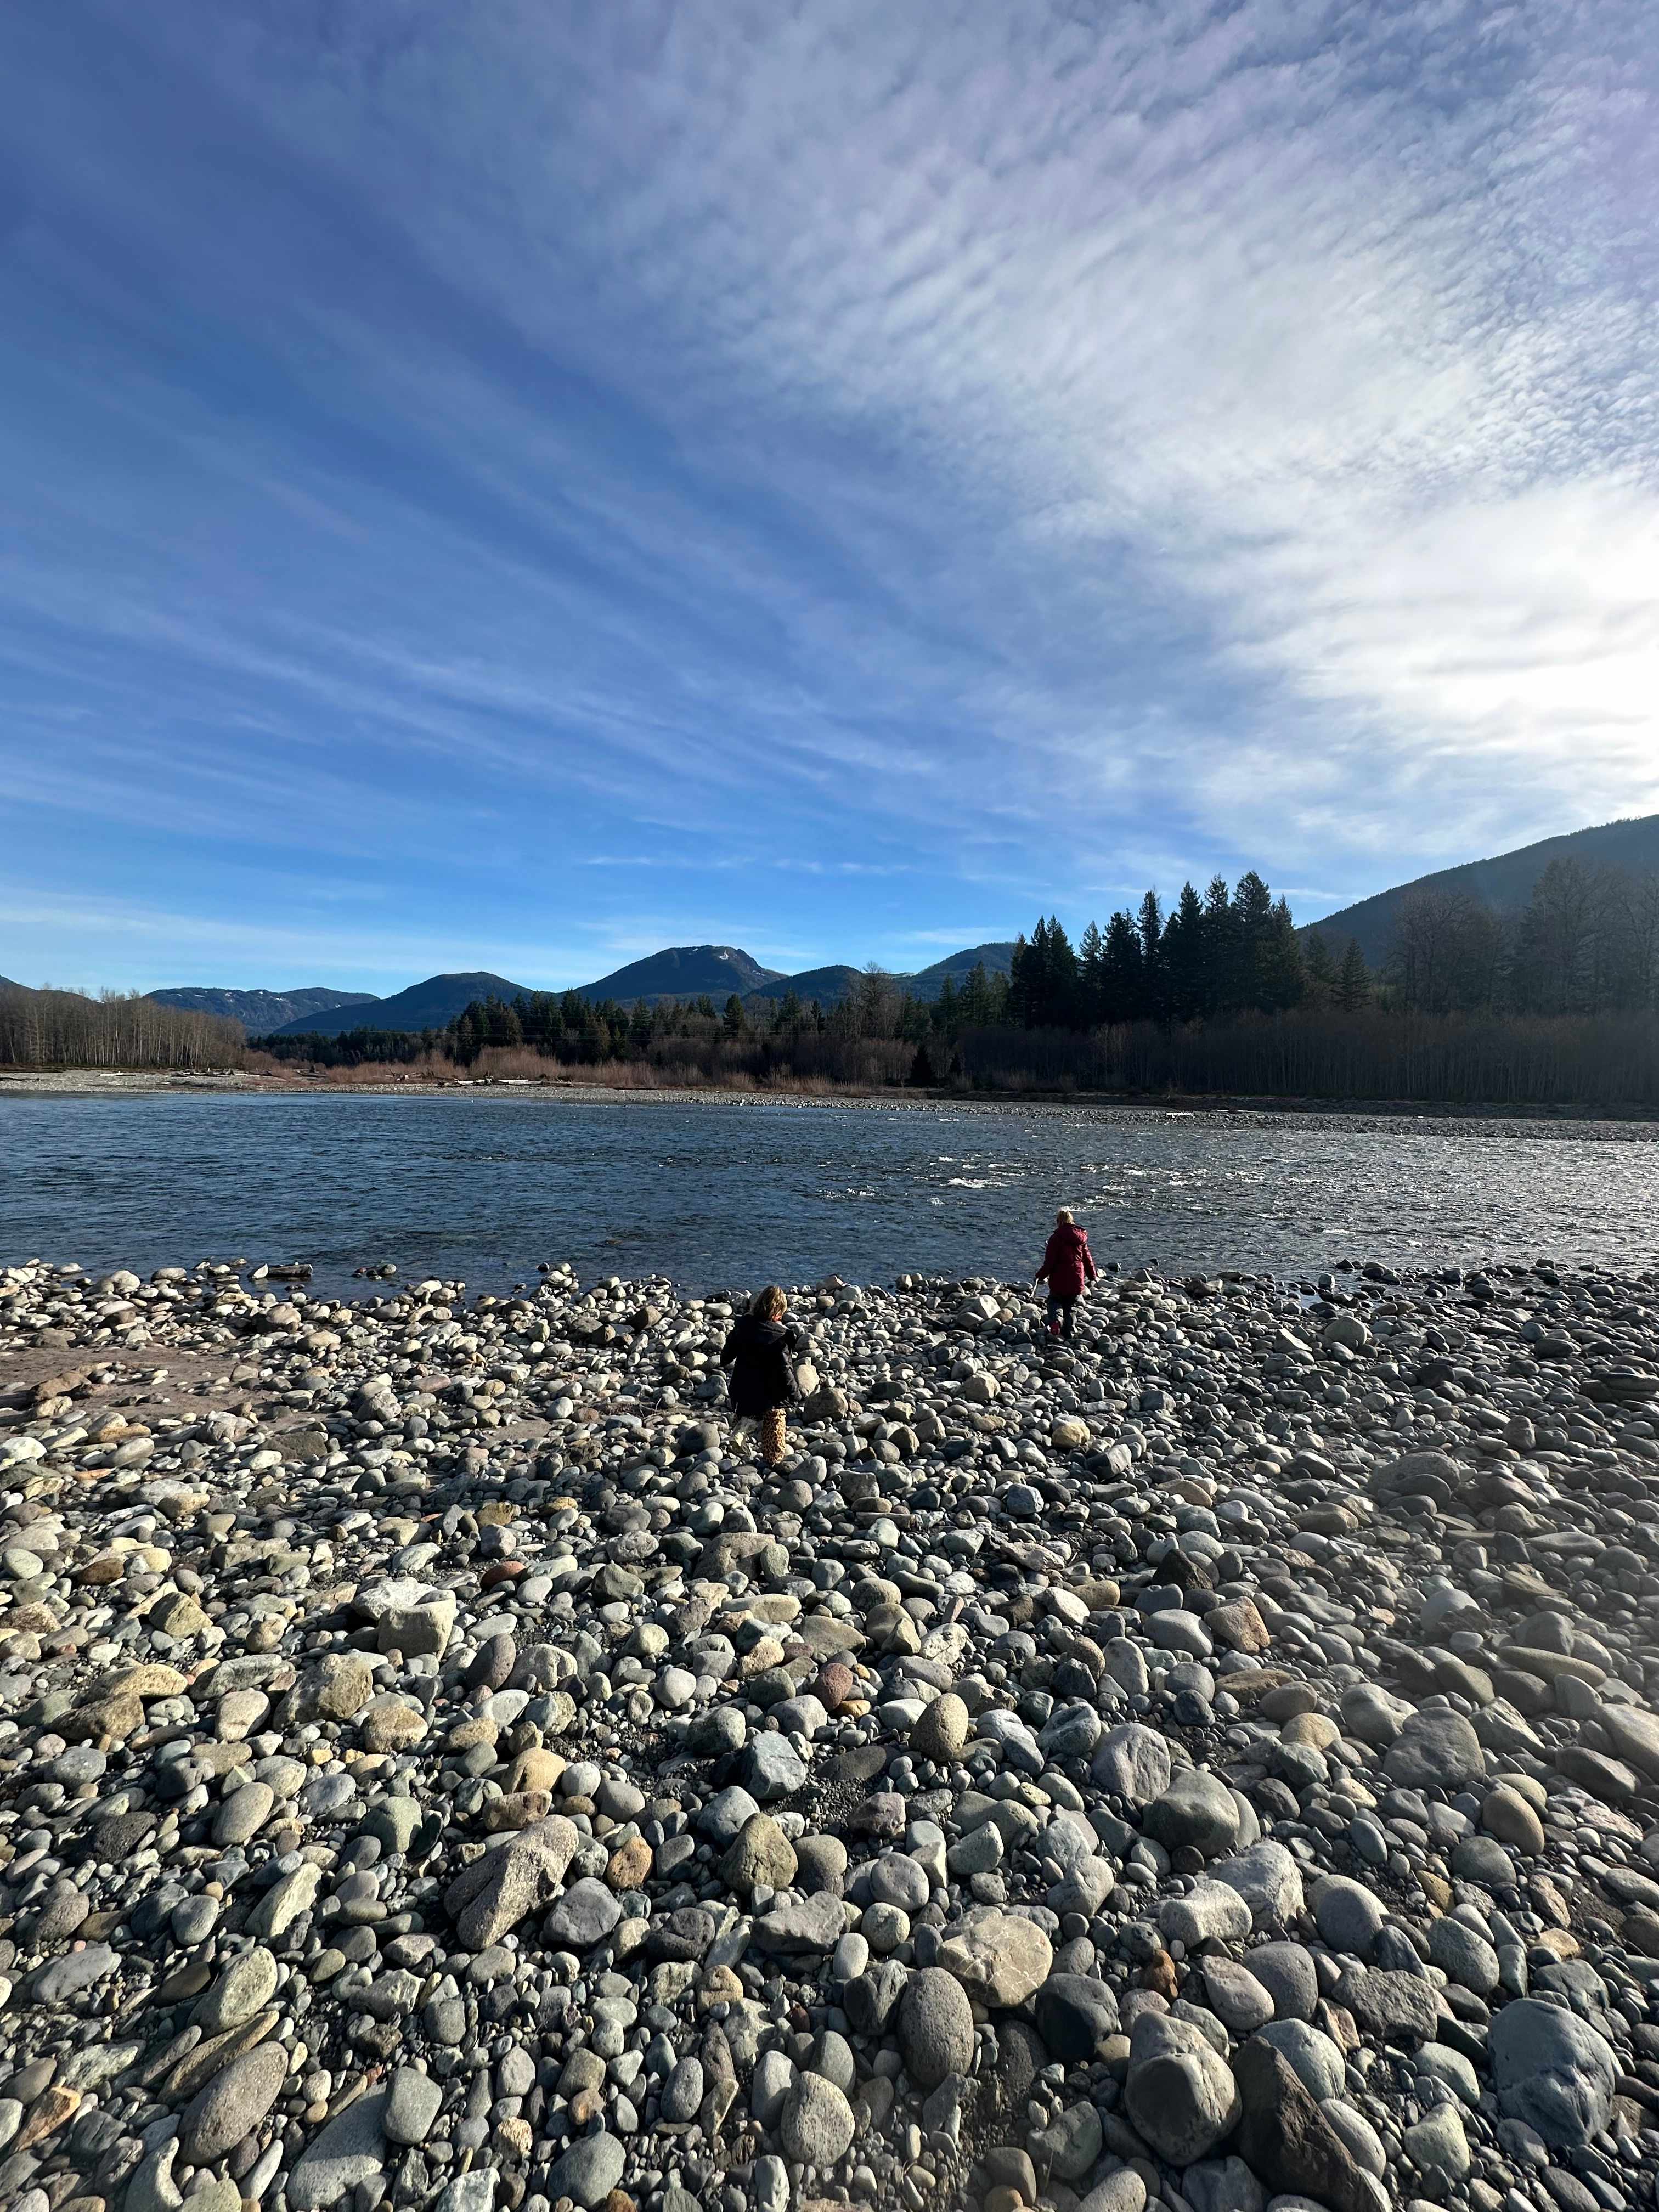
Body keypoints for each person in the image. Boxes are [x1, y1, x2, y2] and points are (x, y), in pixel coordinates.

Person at [720, 1284, 804, 1466]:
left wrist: (728, 1355)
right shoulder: (781, 1336)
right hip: (770, 1394)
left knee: (749, 1411)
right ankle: (774, 1458)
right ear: (777, 1313)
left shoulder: (743, 1325)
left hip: (743, 1388)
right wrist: (795, 1393)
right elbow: (785, 1369)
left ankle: (741, 1432)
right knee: (775, 1420)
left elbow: (726, 1355)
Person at [1035, 1207, 1097, 1341]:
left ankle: (1056, 1322)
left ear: (1059, 1222)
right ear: (1072, 1221)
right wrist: (1093, 1276)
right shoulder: (1081, 1239)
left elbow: (1049, 1262)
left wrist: (1040, 1275)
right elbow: (1088, 1259)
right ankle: (1068, 1332)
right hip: (1076, 1279)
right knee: (1071, 1306)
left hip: (1058, 1279)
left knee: (1054, 1302)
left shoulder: (1055, 1238)